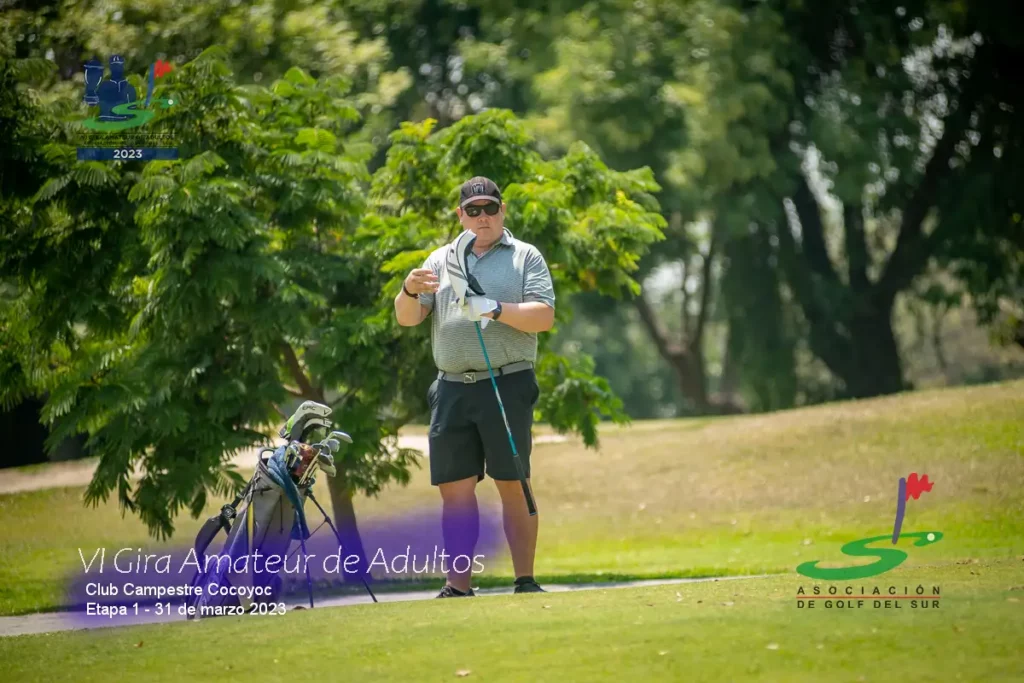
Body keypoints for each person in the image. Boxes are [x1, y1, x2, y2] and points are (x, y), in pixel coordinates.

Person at [394, 176, 556, 597]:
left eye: (490, 208)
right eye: (473, 210)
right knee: (455, 491)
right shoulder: (440, 259)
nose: (482, 217)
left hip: (507, 382)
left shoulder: (524, 256)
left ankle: (525, 581)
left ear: (503, 210)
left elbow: (543, 316)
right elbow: (408, 317)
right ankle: (458, 586)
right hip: (451, 388)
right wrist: (408, 290)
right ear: (460, 215)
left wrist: (494, 309)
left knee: (512, 483)